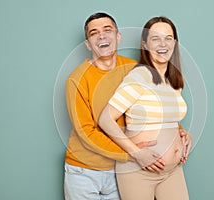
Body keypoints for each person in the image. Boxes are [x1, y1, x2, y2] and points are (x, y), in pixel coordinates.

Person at [64, 12, 169, 200]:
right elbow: (86, 132)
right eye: (93, 33)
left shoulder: (135, 70)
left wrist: (180, 131)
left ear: (118, 37)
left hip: (123, 172)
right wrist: (134, 154)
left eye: (107, 30)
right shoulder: (76, 79)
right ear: (88, 44)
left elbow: (158, 107)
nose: (101, 35)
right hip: (84, 171)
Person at [99, 16, 190, 200]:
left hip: (173, 171)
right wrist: (137, 153)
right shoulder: (139, 76)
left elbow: (166, 120)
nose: (162, 44)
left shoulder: (174, 81)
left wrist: (184, 135)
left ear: (175, 43)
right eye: (155, 38)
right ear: (145, 45)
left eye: (168, 38)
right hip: (138, 170)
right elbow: (105, 119)